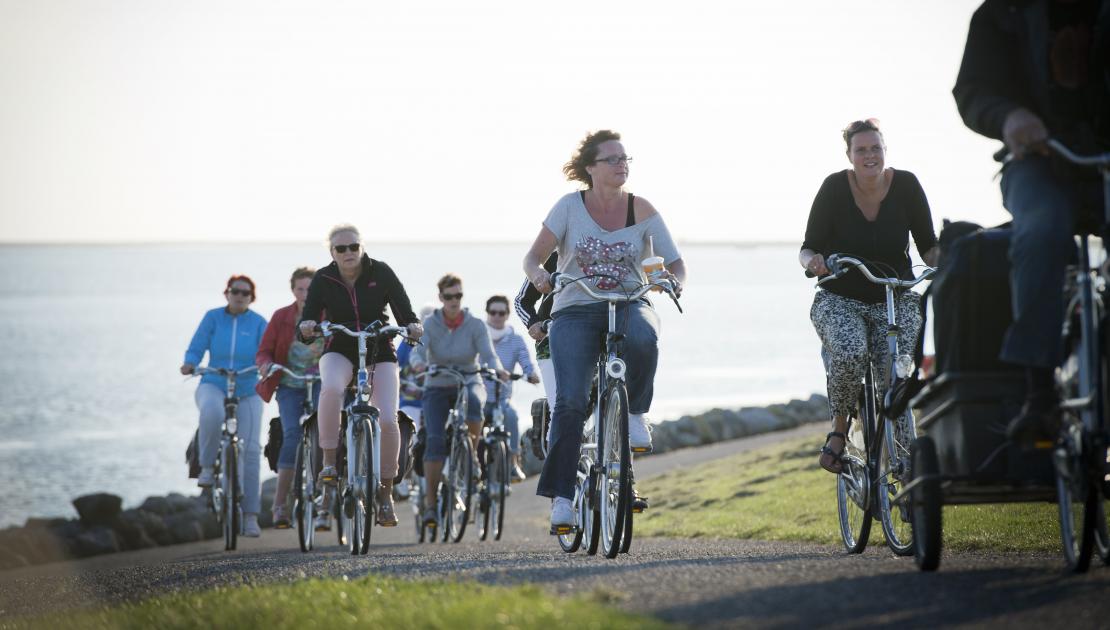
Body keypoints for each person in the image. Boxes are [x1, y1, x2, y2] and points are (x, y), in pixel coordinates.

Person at [953, 0, 1108, 442]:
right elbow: (972, 91)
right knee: (1041, 230)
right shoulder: (1000, 13)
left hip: (1104, 160)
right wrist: (1008, 116)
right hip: (1037, 161)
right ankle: (1038, 392)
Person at [522, 129, 686, 533]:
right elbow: (532, 258)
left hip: (631, 301)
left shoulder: (642, 208)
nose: (621, 165)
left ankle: (634, 414)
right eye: (612, 159)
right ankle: (563, 499)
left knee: (646, 338)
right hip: (576, 306)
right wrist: (539, 275)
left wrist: (670, 280)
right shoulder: (568, 207)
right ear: (590, 169)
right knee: (572, 403)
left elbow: (676, 264)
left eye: (625, 158)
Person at [800, 118, 939, 474]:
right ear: (849, 155)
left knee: (896, 375)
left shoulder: (906, 185)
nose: (869, 155)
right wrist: (814, 262)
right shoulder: (833, 188)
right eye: (861, 149)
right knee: (850, 352)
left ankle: (909, 473)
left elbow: (928, 247)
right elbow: (808, 248)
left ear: (884, 150)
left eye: (875, 148)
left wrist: (953, 264)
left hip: (896, 295)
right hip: (840, 297)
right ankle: (840, 430)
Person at [297, 225, 424, 528]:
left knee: (388, 418)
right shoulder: (323, 279)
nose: (348, 253)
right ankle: (329, 464)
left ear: (361, 247)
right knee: (329, 389)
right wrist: (308, 326)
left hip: (379, 348)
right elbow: (308, 317)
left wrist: (413, 326)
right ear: (332, 253)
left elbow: (405, 312)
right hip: (339, 347)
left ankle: (386, 494)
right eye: (341, 249)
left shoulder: (381, 272)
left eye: (353, 247)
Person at [410, 274, 508, 528]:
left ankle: (472, 456)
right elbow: (418, 350)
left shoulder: (475, 324)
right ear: (440, 298)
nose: (454, 301)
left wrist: (497, 369)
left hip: (467, 381)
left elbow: (488, 354)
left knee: (475, 403)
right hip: (437, 383)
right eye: (449, 296)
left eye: (458, 296)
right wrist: (419, 364)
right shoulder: (430, 324)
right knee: (434, 440)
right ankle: (431, 506)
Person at [180, 275, 268, 537]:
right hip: (214, 382)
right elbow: (196, 346)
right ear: (226, 293)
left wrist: (267, 366)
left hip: (248, 387)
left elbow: (266, 352)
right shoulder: (213, 317)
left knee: (251, 449)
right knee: (212, 412)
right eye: (235, 291)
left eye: (245, 293)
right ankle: (207, 468)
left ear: (252, 298)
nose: (239, 296)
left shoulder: (259, 322)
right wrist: (190, 362)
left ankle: (251, 516)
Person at [256, 267, 324, 530]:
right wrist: (266, 365)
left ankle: (325, 501)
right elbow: (264, 352)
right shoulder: (281, 317)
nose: (306, 294)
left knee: (325, 430)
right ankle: (280, 505)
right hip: (288, 384)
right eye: (300, 289)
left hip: (321, 381)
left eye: (310, 289)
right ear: (292, 290)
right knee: (292, 434)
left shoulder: (328, 316)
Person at [483, 294, 541, 482]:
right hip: (480, 396)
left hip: (502, 398)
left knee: (511, 416)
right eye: (493, 312)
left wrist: (530, 374)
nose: (497, 316)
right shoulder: (479, 337)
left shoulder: (515, 340)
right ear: (487, 314)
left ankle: (513, 463)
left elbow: (526, 361)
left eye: (501, 313)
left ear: (507, 315)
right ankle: (470, 464)